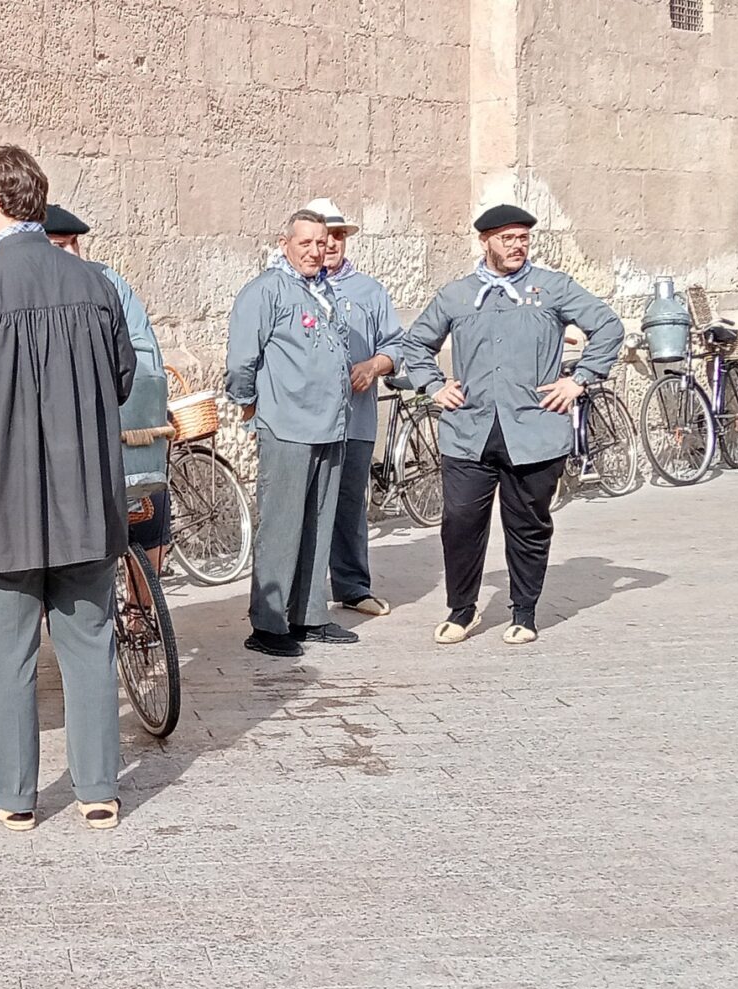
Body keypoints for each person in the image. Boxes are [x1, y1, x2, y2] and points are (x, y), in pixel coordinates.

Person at [0, 146, 135, 833]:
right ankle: (99, 789)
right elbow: (123, 379)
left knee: (6, 658)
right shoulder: (97, 285)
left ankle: (15, 796)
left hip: (4, 506)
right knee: (90, 645)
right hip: (86, 504)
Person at [393, 204, 624, 646]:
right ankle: (461, 610)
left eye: (522, 238)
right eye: (507, 238)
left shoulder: (552, 288)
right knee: (460, 520)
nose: (516, 246)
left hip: (534, 429)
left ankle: (524, 611)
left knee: (527, 523)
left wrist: (580, 381)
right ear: (485, 242)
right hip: (469, 430)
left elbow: (608, 327)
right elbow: (416, 343)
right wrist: (433, 386)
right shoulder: (457, 296)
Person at [225, 206, 360, 658]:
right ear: (286, 245)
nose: (315, 251)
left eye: (321, 244)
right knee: (282, 525)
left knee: (319, 523)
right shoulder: (266, 291)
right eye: (305, 243)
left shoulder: (324, 292)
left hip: (329, 424)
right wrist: (249, 403)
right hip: (287, 424)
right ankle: (268, 624)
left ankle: (309, 615)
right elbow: (242, 359)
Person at [42, 204, 172, 577]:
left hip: (121, 425)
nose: (67, 254)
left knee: (153, 514)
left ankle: (140, 615)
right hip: (65, 439)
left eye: (71, 245)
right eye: (56, 245)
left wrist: (148, 403)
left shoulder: (108, 283)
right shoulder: (34, 293)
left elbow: (143, 353)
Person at [306, 198, 402, 620]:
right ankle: (298, 595)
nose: (332, 244)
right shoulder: (292, 288)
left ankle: (352, 586)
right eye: (325, 236)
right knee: (304, 506)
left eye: (339, 236)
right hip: (305, 420)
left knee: (348, 505)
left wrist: (374, 365)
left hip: (355, 419)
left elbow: (396, 344)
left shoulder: (370, 291)